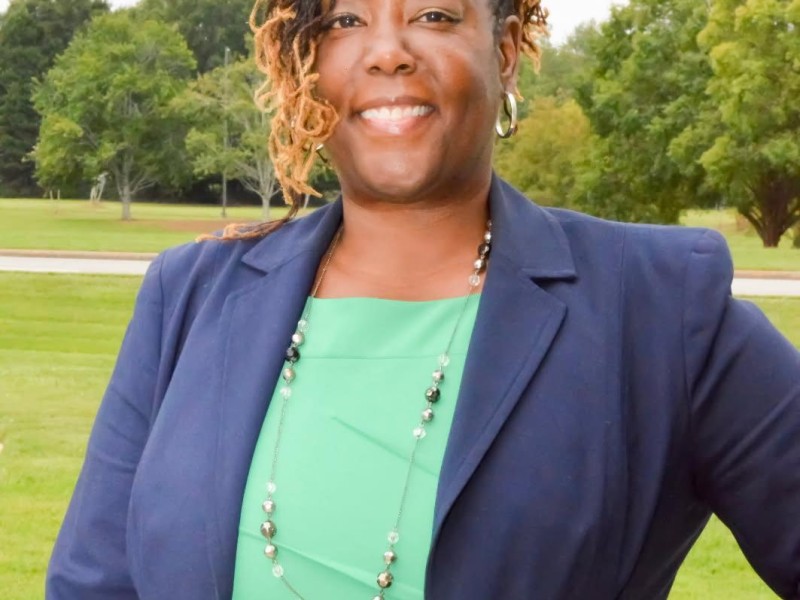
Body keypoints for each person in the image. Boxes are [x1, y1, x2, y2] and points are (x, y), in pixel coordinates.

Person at [47, 0, 800, 598]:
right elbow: (94, 584)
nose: (387, 51)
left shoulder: (659, 307)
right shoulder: (190, 297)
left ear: (503, 53)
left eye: (434, 16)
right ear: (308, 62)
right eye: (345, 21)